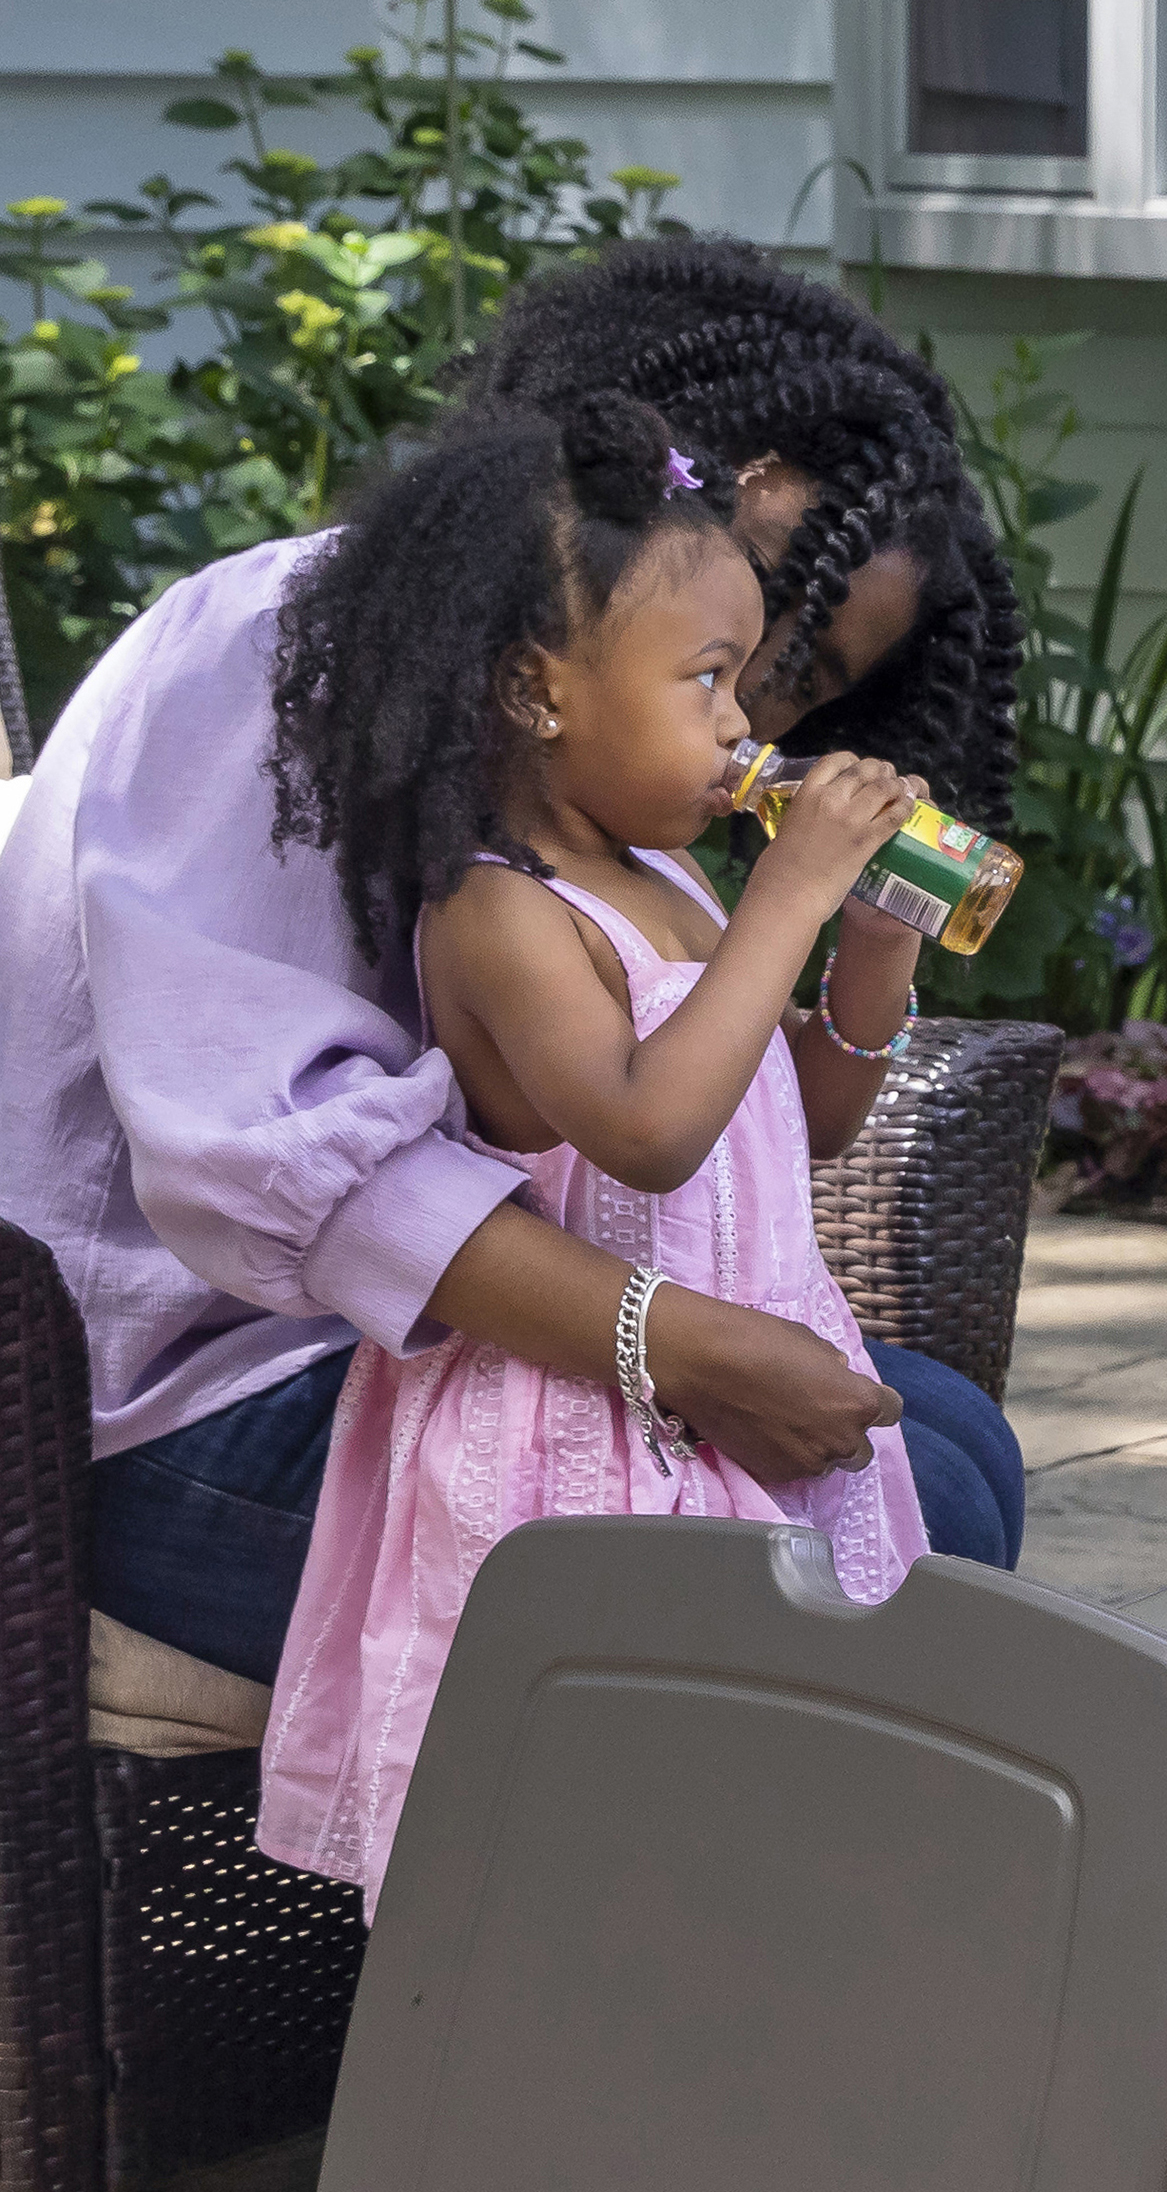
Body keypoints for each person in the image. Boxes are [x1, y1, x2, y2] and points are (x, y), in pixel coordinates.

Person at [0, 238, 1029, 1690]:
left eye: (795, 685)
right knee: (900, 1538)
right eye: (748, 645)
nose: (759, 725)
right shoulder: (281, 652)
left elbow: (710, 1126)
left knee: (943, 1446)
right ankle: (653, 1909)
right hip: (180, 1411)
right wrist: (675, 1347)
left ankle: (754, 1897)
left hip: (428, 1356)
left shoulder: (606, 820)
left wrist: (863, 960)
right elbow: (288, 1163)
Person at [255, 398, 936, 1907]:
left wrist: (868, 965)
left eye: (747, 684)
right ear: (536, 691)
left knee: (764, 1811)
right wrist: (791, 900)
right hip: (586, 1436)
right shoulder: (501, 912)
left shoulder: (669, 874)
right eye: (706, 683)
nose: (745, 728)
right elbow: (643, 1136)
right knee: (598, 1843)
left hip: (732, 1385)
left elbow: (794, 1122)